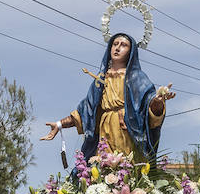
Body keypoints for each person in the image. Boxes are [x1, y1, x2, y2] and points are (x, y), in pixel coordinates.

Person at [40, 32, 172, 163]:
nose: (117, 48)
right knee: (102, 165)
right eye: (115, 44)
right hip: (105, 129)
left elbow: (149, 108)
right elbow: (87, 110)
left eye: (123, 45)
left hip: (127, 129)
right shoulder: (101, 79)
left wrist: (158, 102)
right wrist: (59, 124)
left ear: (131, 52)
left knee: (126, 167)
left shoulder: (137, 78)